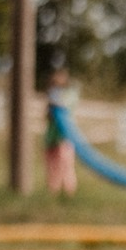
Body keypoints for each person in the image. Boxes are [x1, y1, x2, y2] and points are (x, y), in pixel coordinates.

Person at [44, 68, 78, 196]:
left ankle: (69, 193)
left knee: (66, 166)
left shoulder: (70, 94)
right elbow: (47, 116)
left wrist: (54, 102)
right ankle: (53, 192)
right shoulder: (52, 94)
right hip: (51, 138)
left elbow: (65, 106)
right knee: (52, 167)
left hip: (65, 138)